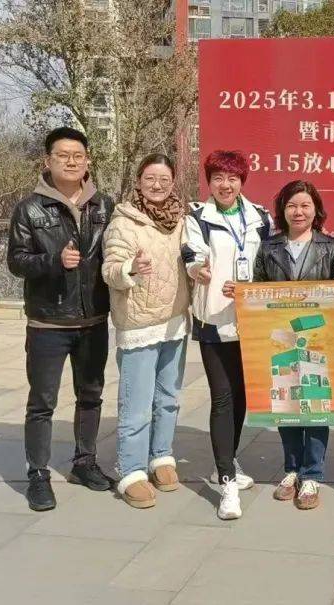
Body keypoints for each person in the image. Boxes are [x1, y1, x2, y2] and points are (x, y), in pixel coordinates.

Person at [7, 126, 115, 511]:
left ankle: (85, 462)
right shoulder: (29, 209)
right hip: (48, 323)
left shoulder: (104, 206)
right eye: (63, 155)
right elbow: (16, 261)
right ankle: (38, 473)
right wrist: (54, 261)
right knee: (42, 401)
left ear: (88, 161)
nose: (71, 162)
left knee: (91, 396)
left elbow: (116, 252)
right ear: (47, 161)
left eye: (78, 155)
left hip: (93, 319)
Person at [243, 180, 334, 511]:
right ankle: (291, 469)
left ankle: (312, 474)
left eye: (305, 205)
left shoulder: (330, 247)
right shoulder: (269, 248)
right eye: (292, 205)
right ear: (283, 210)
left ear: (316, 209)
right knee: (286, 402)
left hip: (318, 340)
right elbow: (259, 291)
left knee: (317, 404)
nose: (298, 212)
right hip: (280, 340)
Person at [182, 150, 273, 520]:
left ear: (242, 181)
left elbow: (270, 260)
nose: (225, 185)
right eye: (218, 178)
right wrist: (197, 270)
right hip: (214, 320)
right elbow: (191, 254)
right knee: (222, 398)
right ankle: (227, 483)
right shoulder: (197, 217)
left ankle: (229, 461)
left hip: (251, 321)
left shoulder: (260, 218)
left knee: (241, 397)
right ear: (209, 182)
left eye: (232, 178)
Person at [101, 153, 191, 509]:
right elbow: (109, 270)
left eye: (164, 179)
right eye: (150, 178)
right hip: (139, 325)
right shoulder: (124, 222)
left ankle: (161, 456)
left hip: (175, 322)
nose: (157, 185)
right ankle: (131, 470)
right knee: (136, 404)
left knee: (168, 398)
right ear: (139, 181)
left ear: (173, 183)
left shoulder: (182, 221)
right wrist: (130, 268)